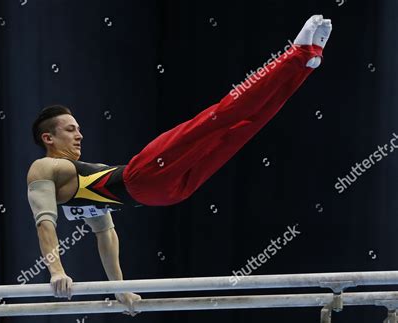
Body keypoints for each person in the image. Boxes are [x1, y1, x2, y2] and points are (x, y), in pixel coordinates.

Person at [27, 15, 332, 316]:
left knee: (243, 128)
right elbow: (44, 222)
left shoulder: (77, 183)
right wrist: (56, 271)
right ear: (47, 138)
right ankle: (295, 53)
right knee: (222, 114)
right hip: (144, 178)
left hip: (165, 192)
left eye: (78, 128)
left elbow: (106, 236)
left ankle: (304, 63)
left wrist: (119, 289)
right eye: (70, 129)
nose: (79, 134)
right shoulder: (44, 168)